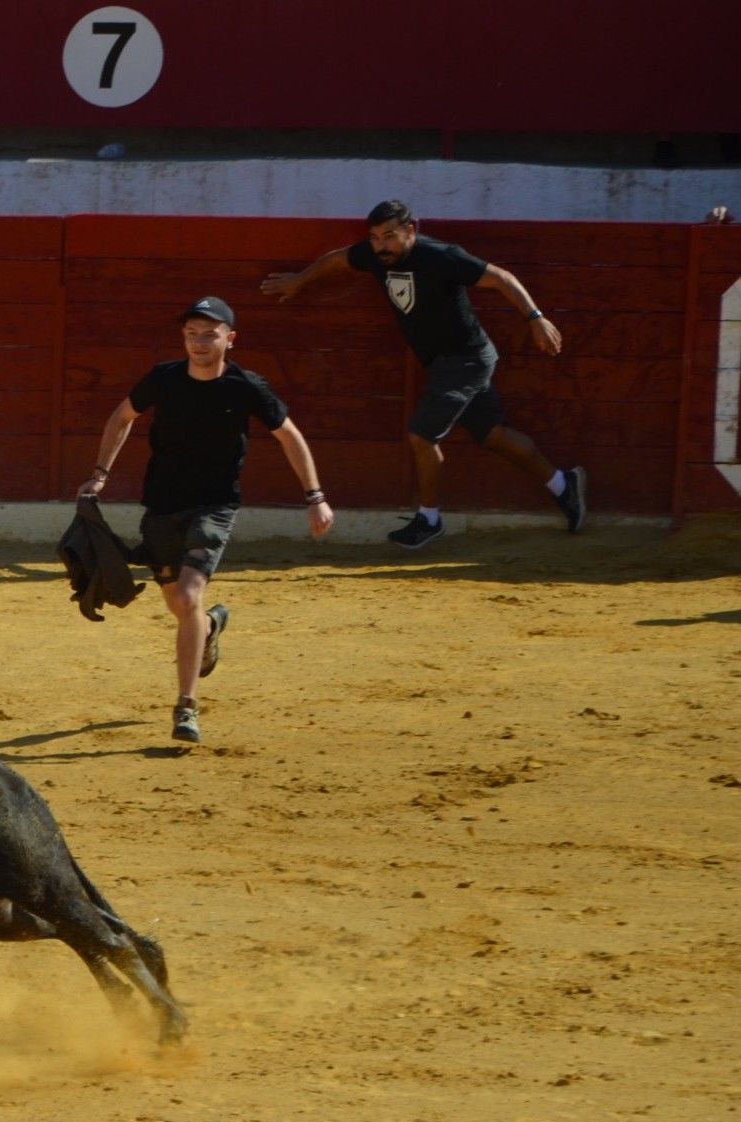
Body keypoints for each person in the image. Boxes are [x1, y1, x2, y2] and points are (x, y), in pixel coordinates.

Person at [79, 298, 334, 746]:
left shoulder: (246, 386)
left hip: (215, 506)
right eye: (192, 334)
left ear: (229, 339)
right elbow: (122, 417)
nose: (199, 342)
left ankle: (186, 707)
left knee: (190, 593)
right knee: (180, 606)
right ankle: (211, 628)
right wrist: (99, 475)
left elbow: (289, 436)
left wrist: (315, 496)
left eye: (209, 334)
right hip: (161, 506)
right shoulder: (163, 378)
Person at [261, 199, 583, 549]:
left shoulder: (440, 256)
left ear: (410, 230)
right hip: (447, 363)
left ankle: (429, 519)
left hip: (466, 359)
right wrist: (300, 281)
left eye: (389, 236)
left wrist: (535, 318)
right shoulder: (374, 254)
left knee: (422, 437)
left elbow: (502, 278)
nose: (381, 246)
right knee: (494, 435)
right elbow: (337, 259)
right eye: (375, 238)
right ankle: (564, 485)